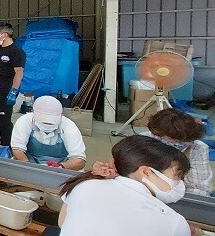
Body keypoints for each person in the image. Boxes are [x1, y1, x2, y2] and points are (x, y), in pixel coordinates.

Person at [55, 135, 192, 236]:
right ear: (146, 172)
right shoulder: (175, 223)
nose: (179, 184)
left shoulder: (85, 184)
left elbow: (63, 223)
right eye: (177, 176)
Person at [145, 109, 212, 196]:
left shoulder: (198, 148)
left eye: (183, 141)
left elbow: (199, 188)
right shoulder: (140, 143)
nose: (178, 144)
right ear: (157, 133)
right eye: (173, 140)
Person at [11, 96, 86, 170]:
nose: (47, 125)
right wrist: (29, 166)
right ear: (34, 114)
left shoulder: (69, 126)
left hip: (61, 166)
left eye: (51, 123)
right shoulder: (24, 121)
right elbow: (17, 149)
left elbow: (79, 160)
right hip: (29, 161)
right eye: (44, 122)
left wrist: (60, 167)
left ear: (60, 116)